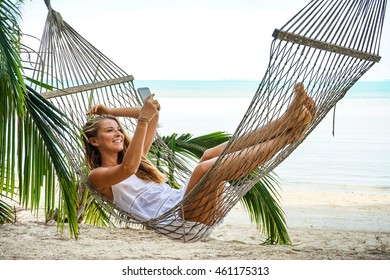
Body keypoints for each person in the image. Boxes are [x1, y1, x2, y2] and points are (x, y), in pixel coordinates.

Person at [82, 83, 316, 241]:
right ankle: (290, 136)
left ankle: (286, 121)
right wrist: (142, 118)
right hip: (177, 223)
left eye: (119, 130)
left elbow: (153, 116)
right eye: (110, 131)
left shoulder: (135, 159)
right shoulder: (99, 176)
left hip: (184, 207)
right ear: (94, 141)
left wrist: (111, 111)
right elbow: (127, 168)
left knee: (208, 156)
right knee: (204, 169)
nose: (119, 134)